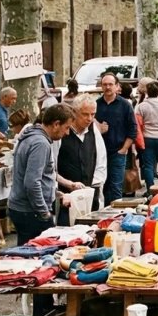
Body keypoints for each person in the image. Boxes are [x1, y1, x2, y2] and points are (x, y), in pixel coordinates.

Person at [8, 104, 75, 315]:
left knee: (33, 260)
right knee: (41, 262)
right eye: (65, 128)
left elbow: (42, 179)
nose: (66, 133)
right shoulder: (40, 143)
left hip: (24, 208)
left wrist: (58, 194)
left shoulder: (32, 137)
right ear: (55, 124)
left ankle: (41, 308)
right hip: (30, 212)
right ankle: (42, 311)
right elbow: (32, 182)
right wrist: (43, 212)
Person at [53, 95, 107, 224]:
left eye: (93, 114)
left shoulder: (94, 131)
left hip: (90, 192)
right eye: (85, 114)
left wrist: (95, 187)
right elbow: (52, 165)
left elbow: (101, 161)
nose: (90, 119)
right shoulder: (62, 134)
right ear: (75, 113)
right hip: (66, 196)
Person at [96, 73, 137, 205]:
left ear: (117, 86)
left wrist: (124, 149)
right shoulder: (95, 105)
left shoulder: (125, 105)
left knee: (115, 187)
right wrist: (98, 126)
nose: (107, 87)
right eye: (105, 84)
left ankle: (114, 218)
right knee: (101, 186)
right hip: (98, 154)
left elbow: (133, 129)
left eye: (110, 84)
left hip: (117, 152)